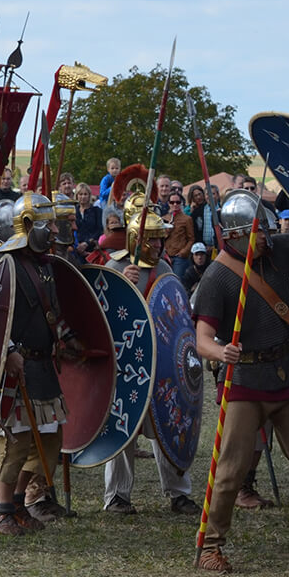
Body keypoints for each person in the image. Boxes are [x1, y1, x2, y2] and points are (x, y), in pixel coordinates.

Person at [193, 173, 289, 573]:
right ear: (238, 235)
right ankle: (210, 545)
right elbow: (201, 338)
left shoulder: (277, 250)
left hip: (288, 375)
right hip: (244, 382)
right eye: (258, 232)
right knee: (230, 470)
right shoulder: (218, 276)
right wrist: (221, 351)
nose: (266, 237)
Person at [102, 208, 200, 516]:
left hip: (161, 365)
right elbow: (103, 316)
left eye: (161, 239)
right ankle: (117, 496)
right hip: (127, 364)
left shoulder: (166, 272)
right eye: (152, 239)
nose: (158, 245)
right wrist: (121, 283)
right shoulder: (116, 266)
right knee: (124, 428)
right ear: (135, 239)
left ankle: (179, 493)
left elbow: (175, 316)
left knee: (167, 425)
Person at [0, 193, 79, 531]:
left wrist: (70, 340)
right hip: (17, 367)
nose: (56, 229)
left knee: (51, 440)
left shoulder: (44, 265)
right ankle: (3, 513)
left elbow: (52, 314)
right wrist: (10, 350)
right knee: (16, 441)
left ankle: (18, 503)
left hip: (42, 366)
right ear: (28, 226)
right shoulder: (7, 265)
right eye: (49, 223)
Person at [164, 190, 195, 282]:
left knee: (177, 281)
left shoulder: (187, 219)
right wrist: (167, 231)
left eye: (177, 202)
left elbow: (191, 238)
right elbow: (161, 238)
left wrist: (184, 252)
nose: (175, 204)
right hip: (167, 256)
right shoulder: (164, 218)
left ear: (181, 203)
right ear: (168, 203)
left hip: (179, 257)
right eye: (172, 202)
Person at [73, 183, 103, 260]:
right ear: (77, 195)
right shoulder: (73, 211)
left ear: (89, 195)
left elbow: (100, 230)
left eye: (85, 194)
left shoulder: (97, 211)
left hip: (92, 249)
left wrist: (87, 243)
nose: (83, 197)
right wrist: (77, 246)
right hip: (76, 249)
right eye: (80, 194)